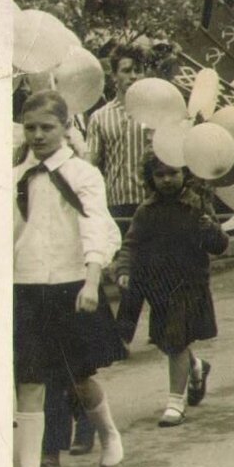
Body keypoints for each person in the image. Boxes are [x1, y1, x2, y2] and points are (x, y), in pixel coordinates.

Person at [13, 91, 128, 467]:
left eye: (47, 127)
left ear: (65, 128)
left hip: (73, 286)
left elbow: (95, 225)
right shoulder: (14, 174)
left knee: (79, 378)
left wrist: (93, 279)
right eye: (31, 128)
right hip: (26, 287)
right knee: (28, 382)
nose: (38, 135)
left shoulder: (82, 173)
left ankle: (111, 438)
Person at [115, 156, 227, 426]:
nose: (166, 180)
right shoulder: (147, 210)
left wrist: (209, 228)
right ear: (150, 178)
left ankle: (175, 403)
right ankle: (196, 366)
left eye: (172, 173)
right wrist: (123, 270)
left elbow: (220, 245)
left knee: (176, 339)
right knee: (168, 341)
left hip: (189, 282)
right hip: (159, 284)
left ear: (185, 173)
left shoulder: (197, 205)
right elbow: (131, 243)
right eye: (159, 174)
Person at [87, 43, 153, 345]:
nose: (133, 76)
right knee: (131, 269)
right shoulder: (100, 118)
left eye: (138, 70)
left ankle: (121, 334)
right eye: (127, 71)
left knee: (142, 268)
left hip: (150, 202)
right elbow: (92, 166)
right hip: (118, 205)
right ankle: (124, 333)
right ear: (114, 76)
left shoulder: (156, 111)